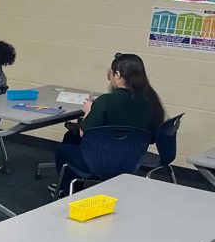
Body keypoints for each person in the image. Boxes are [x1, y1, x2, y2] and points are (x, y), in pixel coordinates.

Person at [53, 53, 165, 196]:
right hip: (133, 158)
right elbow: (152, 137)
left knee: (63, 150)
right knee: (71, 137)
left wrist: (89, 111)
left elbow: (84, 133)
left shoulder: (106, 101)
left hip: (101, 160)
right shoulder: (149, 101)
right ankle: (73, 185)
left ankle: (67, 191)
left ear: (117, 74)